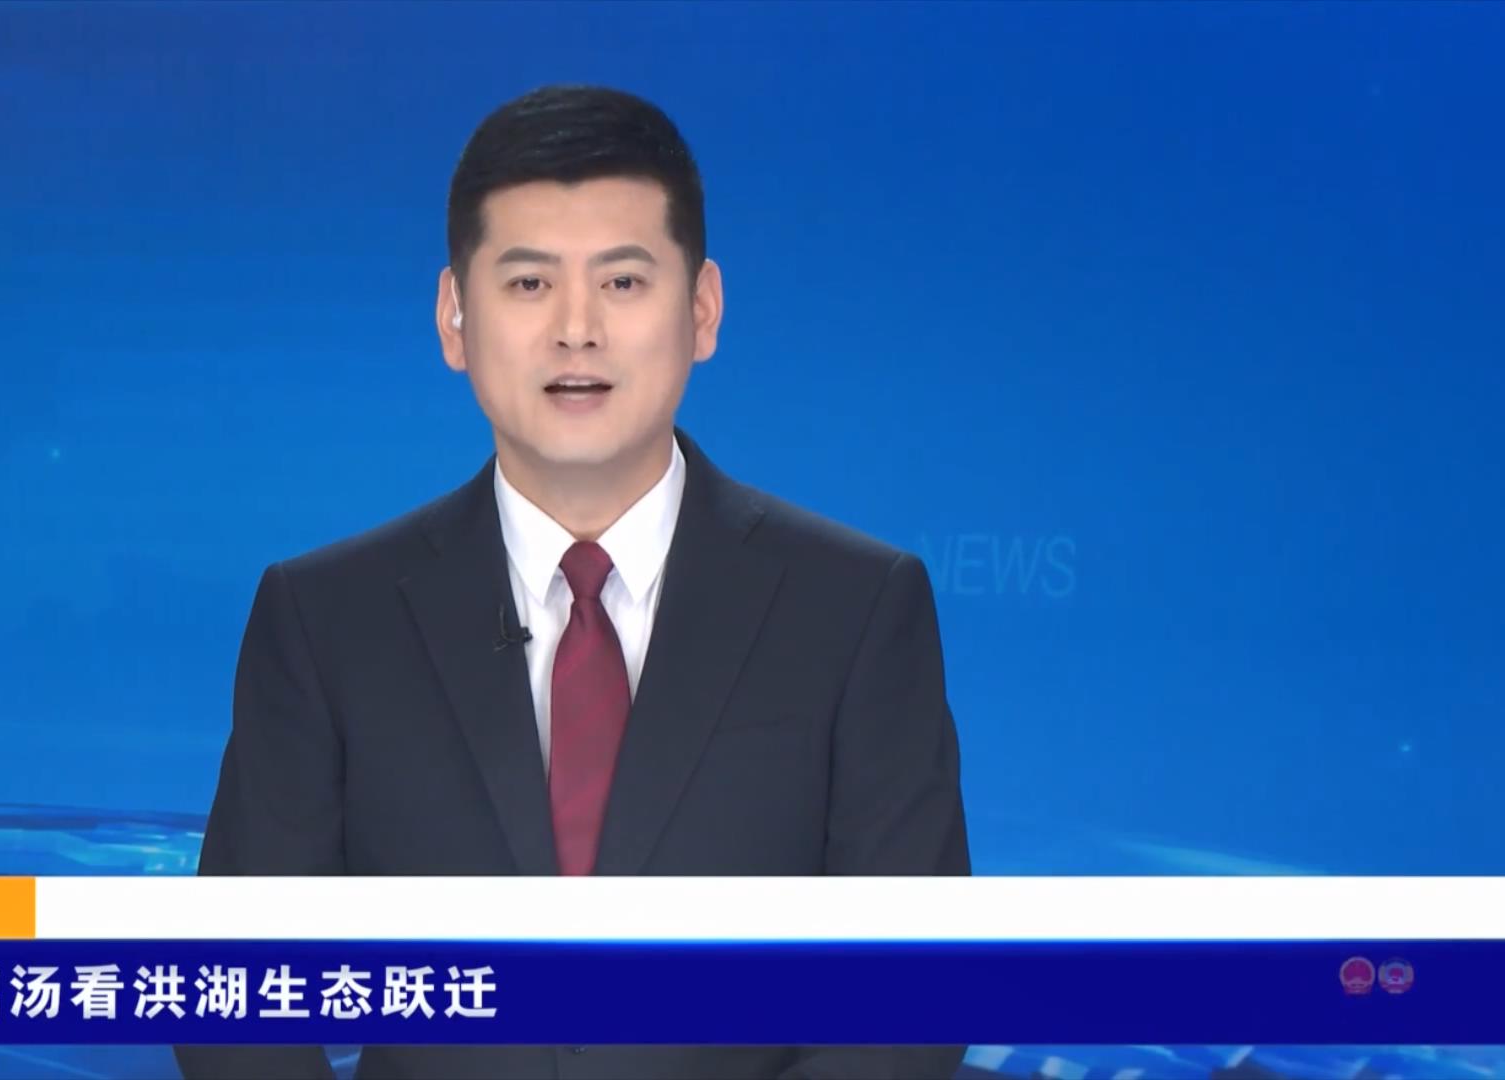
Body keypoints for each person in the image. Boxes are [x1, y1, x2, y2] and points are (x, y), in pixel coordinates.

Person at [177, 84, 970, 1080]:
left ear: (703, 311)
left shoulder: (855, 609)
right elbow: (236, 997)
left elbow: (906, 1001)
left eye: (624, 281)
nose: (576, 329)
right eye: (528, 283)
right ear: (454, 318)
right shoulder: (326, 620)